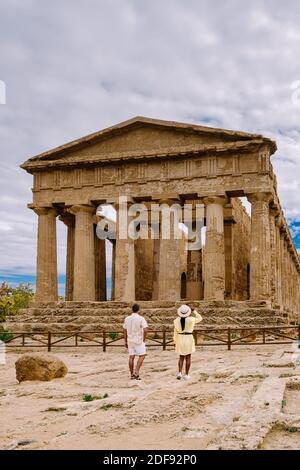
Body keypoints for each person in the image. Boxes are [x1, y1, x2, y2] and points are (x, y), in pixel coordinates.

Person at [173, 304, 202, 380]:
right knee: (188, 357)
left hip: (180, 338)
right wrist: (194, 311)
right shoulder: (191, 319)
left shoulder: (176, 320)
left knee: (181, 357)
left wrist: (175, 341)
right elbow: (200, 318)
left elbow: (175, 332)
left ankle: (179, 373)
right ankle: (186, 374)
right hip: (188, 338)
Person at [123, 303, 148, 380]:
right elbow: (146, 330)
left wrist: (125, 341)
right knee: (142, 355)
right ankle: (136, 371)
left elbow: (124, 330)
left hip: (130, 340)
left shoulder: (127, 319)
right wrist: (144, 338)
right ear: (138, 310)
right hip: (139, 340)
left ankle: (131, 374)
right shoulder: (141, 318)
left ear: (132, 310)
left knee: (131, 357)